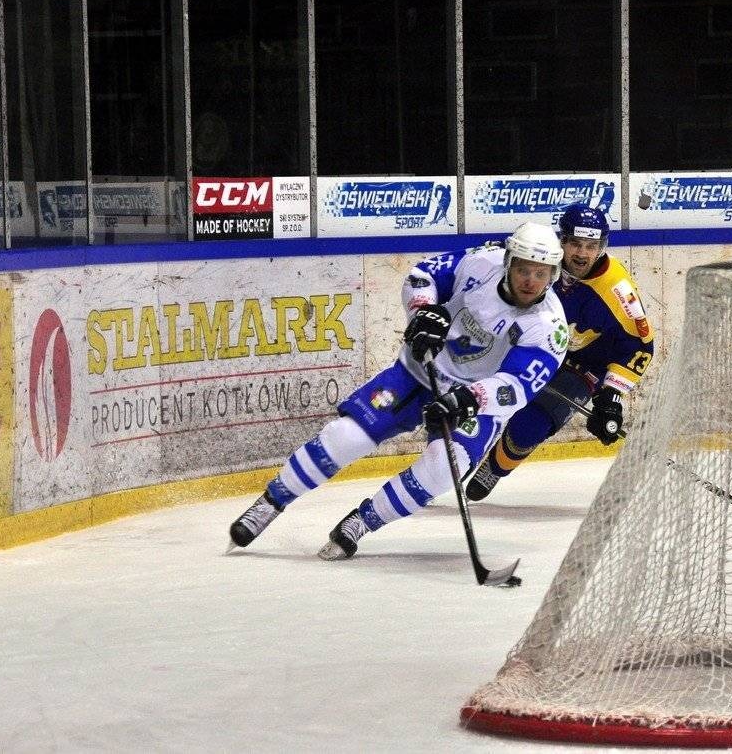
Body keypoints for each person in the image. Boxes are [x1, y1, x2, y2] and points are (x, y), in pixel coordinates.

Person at [226, 222, 570, 560]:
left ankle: (361, 523)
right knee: (347, 436)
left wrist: (469, 398)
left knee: (442, 470)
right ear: (509, 262)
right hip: (419, 372)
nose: (531, 281)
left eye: (542, 273)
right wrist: (422, 314)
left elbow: (517, 387)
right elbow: (423, 276)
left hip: (473, 403)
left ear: (553, 276)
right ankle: (270, 503)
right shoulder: (481, 263)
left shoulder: (548, 327)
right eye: (525, 269)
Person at [465, 204, 654, 502]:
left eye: (591, 246)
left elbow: (640, 347)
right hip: (533, 344)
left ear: (602, 247)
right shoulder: (538, 258)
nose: (581, 253)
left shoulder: (618, 291)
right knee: (476, 395)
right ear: (562, 240)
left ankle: (494, 466)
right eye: (575, 244)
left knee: (529, 427)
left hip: (583, 364)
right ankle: (461, 450)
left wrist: (610, 398)